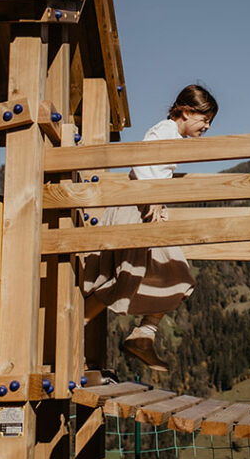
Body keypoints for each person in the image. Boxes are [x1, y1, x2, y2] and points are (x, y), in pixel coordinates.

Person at [80, 84, 218, 370]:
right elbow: (140, 160)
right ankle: (80, 324)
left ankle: (145, 332)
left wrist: (159, 203)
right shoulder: (165, 130)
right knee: (133, 276)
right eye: (204, 119)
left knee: (171, 272)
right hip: (136, 209)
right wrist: (151, 197)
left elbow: (155, 171)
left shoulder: (174, 138)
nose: (207, 126)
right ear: (186, 111)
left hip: (147, 209)